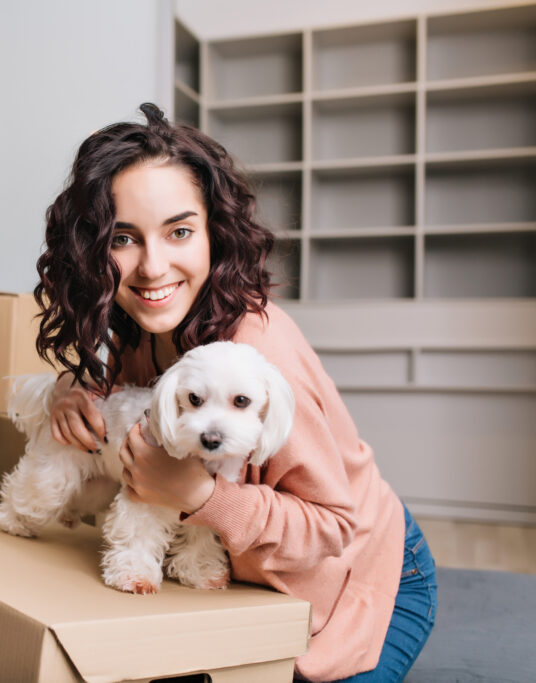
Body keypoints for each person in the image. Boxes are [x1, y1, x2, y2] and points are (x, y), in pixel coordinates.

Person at [33, 103, 437, 682]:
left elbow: (332, 527)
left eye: (179, 231)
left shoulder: (261, 356)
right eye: (124, 238)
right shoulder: (149, 324)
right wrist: (73, 389)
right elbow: (133, 404)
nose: (152, 267)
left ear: (214, 234)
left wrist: (199, 494)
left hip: (364, 578)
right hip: (245, 586)